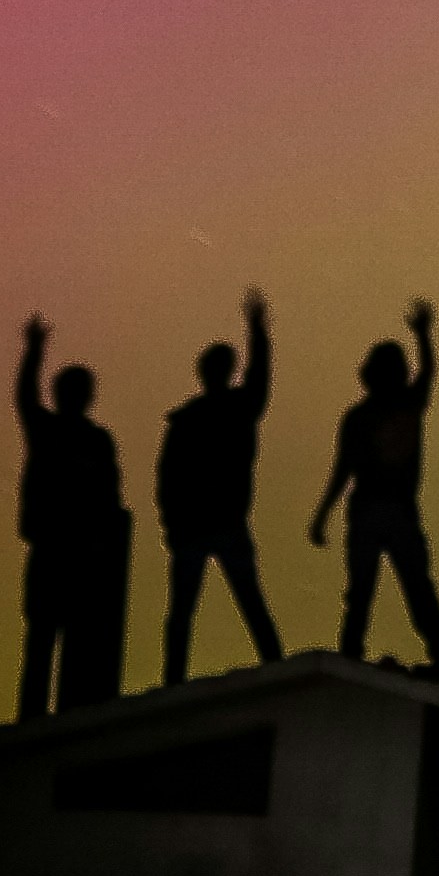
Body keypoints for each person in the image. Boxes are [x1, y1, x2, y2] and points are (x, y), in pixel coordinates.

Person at [309, 299, 439, 669]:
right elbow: (343, 468)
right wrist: (323, 513)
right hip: (377, 510)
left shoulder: (395, 408)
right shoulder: (374, 413)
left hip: (388, 509)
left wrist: (423, 335)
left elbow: (429, 374)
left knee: (402, 588)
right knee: (386, 589)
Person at [10, 317, 133, 715]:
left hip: (75, 553)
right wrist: (34, 350)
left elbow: (111, 498)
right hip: (62, 550)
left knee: (58, 638)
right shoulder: (68, 434)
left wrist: (34, 349)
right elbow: (26, 397)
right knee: (48, 637)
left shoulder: (85, 438)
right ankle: (41, 716)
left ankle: (52, 714)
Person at [158, 293, 282, 687]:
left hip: (212, 524)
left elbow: (165, 477)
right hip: (211, 524)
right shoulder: (230, 409)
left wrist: (258, 331)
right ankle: (273, 667)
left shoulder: (198, 416)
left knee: (194, 609)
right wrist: (258, 330)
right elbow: (167, 477)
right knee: (238, 602)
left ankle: (174, 681)